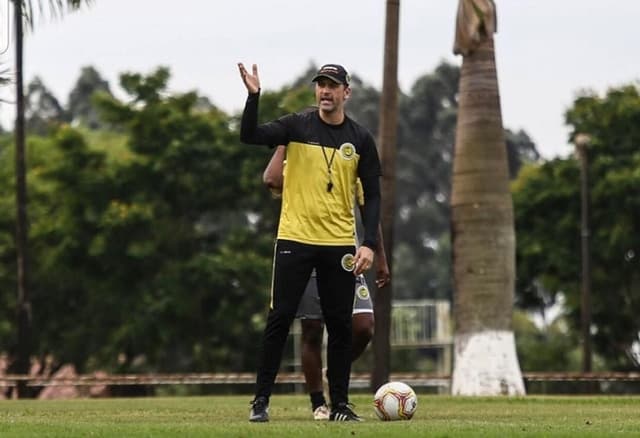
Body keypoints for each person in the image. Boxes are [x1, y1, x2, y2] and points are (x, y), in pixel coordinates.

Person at [238, 62, 382, 422]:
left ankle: (341, 406)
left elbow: (373, 197)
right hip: (295, 239)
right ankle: (260, 402)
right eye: (321, 85)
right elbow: (250, 134)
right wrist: (254, 96)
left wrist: (368, 245)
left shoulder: (360, 139)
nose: (325, 91)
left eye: (333, 85)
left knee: (340, 326)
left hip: (337, 245)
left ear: (346, 92)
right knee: (279, 319)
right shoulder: (296, 126)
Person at [263, 145, 391, 420]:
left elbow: (369, 212)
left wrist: (380, 256)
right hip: (304, 251)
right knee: (312, 328)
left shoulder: (346, 160)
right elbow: (272, 180)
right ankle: (319, 401)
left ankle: (334, 371)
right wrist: (283, 143)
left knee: (363, 326)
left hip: (344, 253)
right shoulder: (298, 161)